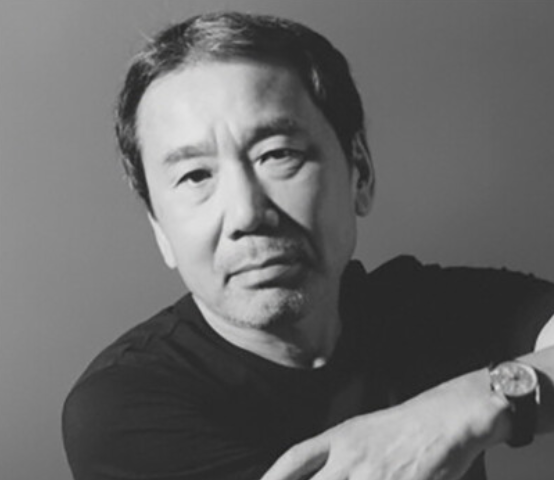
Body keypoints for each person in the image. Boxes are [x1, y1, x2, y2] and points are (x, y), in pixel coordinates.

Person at [62, 11, 554, 480]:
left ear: (360, 173)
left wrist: (468, 405)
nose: (247, 214)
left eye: (278, 154)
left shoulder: (422, 309)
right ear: (159, 229)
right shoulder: (124, 408)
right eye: (195, 176)